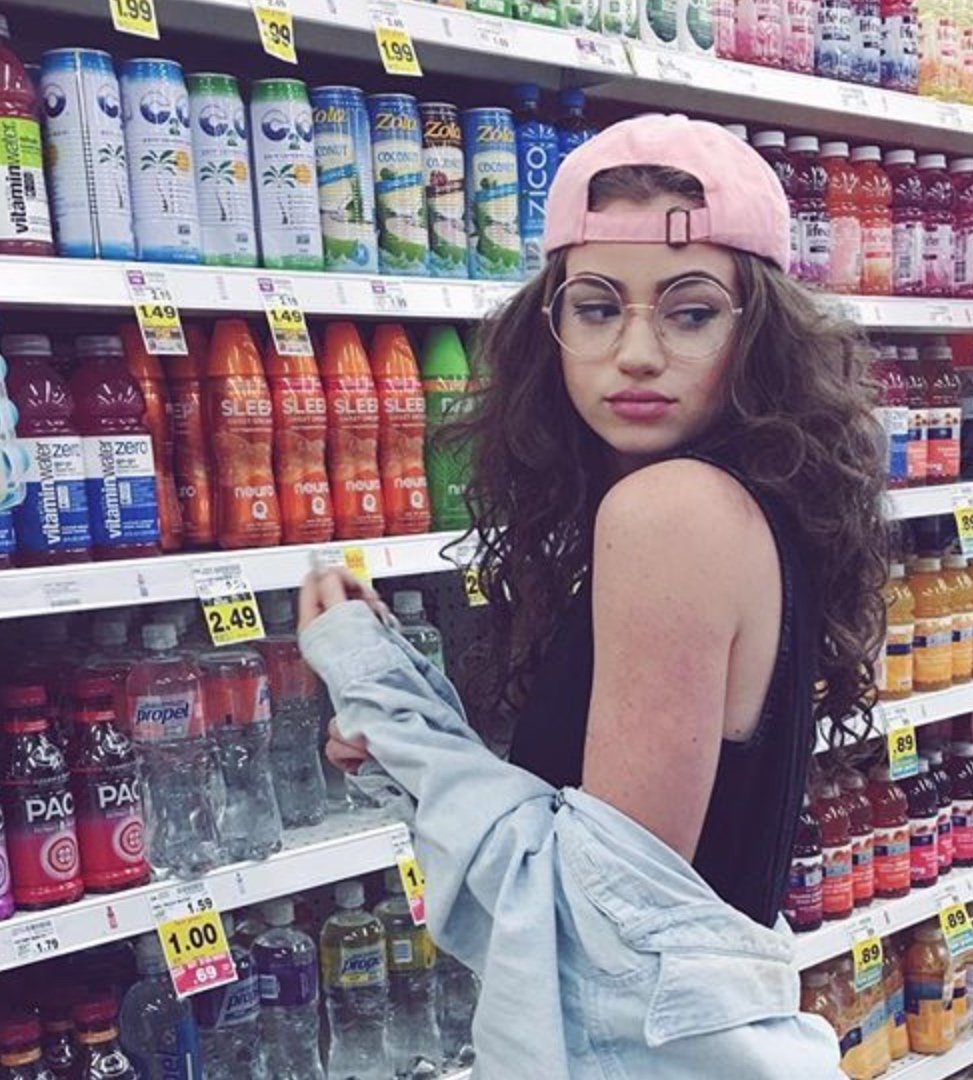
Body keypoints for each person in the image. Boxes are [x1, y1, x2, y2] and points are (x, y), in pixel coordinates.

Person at [301, 114, 888, 1076]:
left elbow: (596, 931)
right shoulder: (735, 498)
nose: (637, 351)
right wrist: (412, 746)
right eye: (597, 307)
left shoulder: (669, 511)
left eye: (691, 312)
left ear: (759, 332)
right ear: (552, 327)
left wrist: (384, 696)